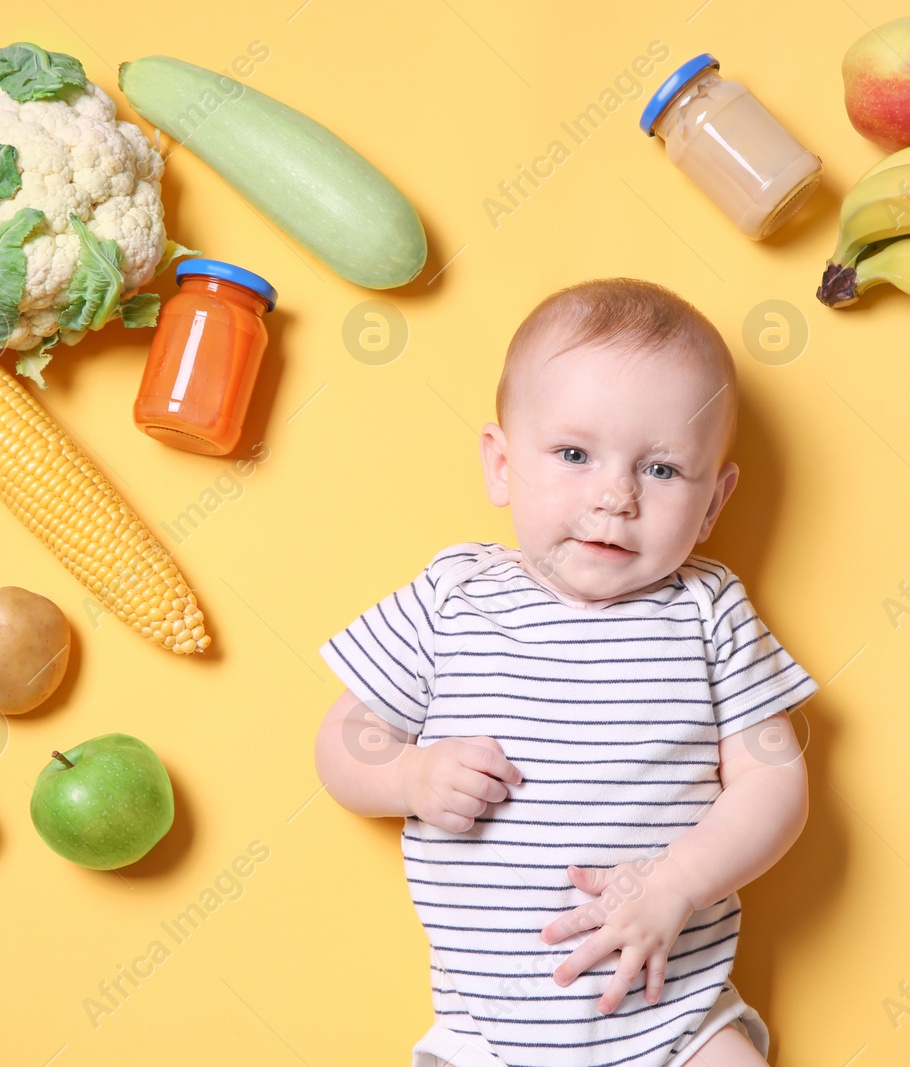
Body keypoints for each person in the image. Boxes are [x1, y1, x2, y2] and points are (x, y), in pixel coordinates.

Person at [316, 278, 819, 1066]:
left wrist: (676, 882)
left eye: (661, 470)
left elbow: (775, 785)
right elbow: (346, 739)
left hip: (675, 1021)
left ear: (714, 503)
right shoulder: (455, 593)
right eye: (575, 454)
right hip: (484, 1036)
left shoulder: (709, 609)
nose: (615, 496)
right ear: (502, 465)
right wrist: (409, 776)